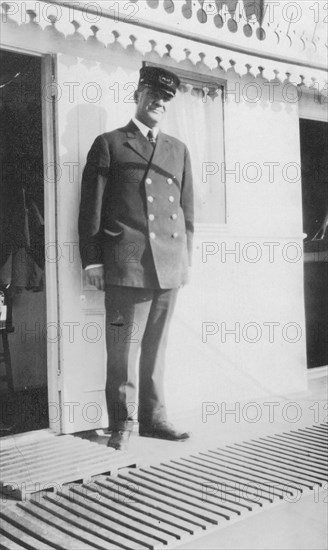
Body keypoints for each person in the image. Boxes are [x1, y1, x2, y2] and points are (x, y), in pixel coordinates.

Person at [78, 65, 194, 450]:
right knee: (123, 349)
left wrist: (184, 259)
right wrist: (92, 261)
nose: (158, 102)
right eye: (152, 95)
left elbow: (188, 212)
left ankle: (155, 418)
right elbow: (90, 210)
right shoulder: (109, 143)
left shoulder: (178, 150)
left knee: (157, 347)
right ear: (138, 95)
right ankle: (122, 424)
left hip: (169, 265)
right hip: (127, 265)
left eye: (165, 98)